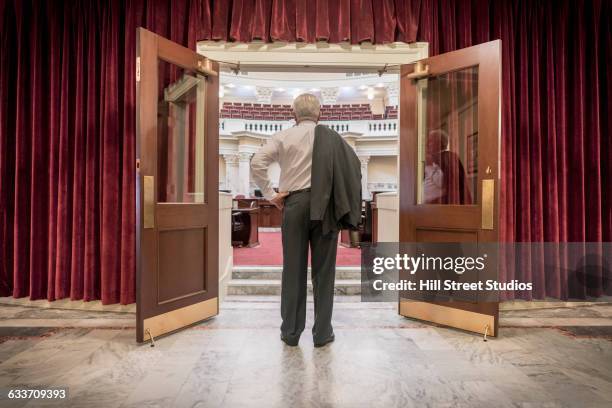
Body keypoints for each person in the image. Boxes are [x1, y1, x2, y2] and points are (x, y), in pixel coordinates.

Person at [251, 93, 361, 347]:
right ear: (320, 114)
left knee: (293, 270)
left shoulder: (284, 136)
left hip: (295, 204)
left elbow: (257, 162)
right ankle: (323, 334)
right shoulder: (334, 138)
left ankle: (290, 332)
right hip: (326, 207)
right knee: (324, 272)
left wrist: (271, 194)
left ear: (294, 114)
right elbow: (354, 167)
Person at [424, 129, 472, 205]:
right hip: (427, 207)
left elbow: (443, 183)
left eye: (430, 141)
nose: (427, 144)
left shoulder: (448, 157)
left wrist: (430, 165)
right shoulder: (430, 158)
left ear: (440, 142)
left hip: (441, 206)